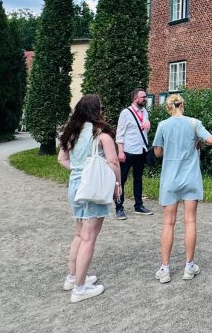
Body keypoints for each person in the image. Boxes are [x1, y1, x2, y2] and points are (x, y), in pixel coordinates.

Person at [57, 94, 121, 303]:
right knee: (89, 237)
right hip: (93, 188)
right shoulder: (102, 135)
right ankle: (80, 288)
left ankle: (73, 277)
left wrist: (79, 170)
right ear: (96, 110)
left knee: (79, 234)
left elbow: (62, 159)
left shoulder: (72, 133)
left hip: (75, 185)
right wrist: (116, 185)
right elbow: (113, 163)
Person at [151, 93, 212, 283]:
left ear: (169, 107)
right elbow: (211, 140)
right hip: (190, 177)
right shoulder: (194, 122)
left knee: (168, 223)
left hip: (170, 178)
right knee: (190, 222)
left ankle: (165, 268)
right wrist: (198, 142)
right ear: (182, 105)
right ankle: (189, 266)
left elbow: (157, 152)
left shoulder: (163, 125)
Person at [115, 88, 153, 219]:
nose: (145, 99)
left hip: (141, 150)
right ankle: (119, 207)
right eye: (143, 97)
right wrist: (120, 151)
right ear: (135, 98)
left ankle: (139, 205)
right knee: (121, 180)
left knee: (138, 179)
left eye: (145, 96)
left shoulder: (145, 112)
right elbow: (119, 133)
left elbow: (144, 128)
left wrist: (148, 123)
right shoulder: (126, 113)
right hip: (128, 151)